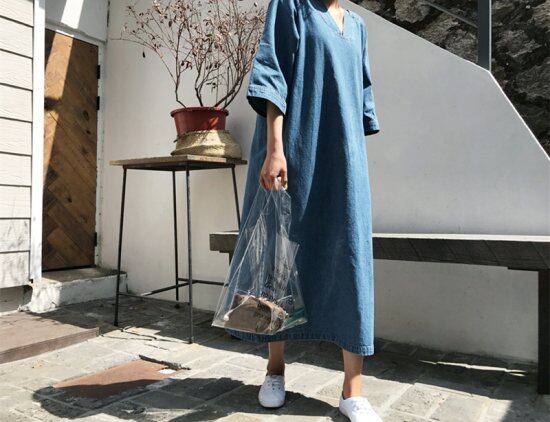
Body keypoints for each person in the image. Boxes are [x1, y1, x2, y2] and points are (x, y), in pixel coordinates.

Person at [226, 0, 381, 420]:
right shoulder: (292, 6)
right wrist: (275, 149)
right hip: (292, 150)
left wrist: (351, 151)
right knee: (278, 258)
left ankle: (353, 389)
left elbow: (360, 97)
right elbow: (273, 72)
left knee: (350, 258)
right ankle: (274, 369)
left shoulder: (358, 27)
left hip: (343, 157)